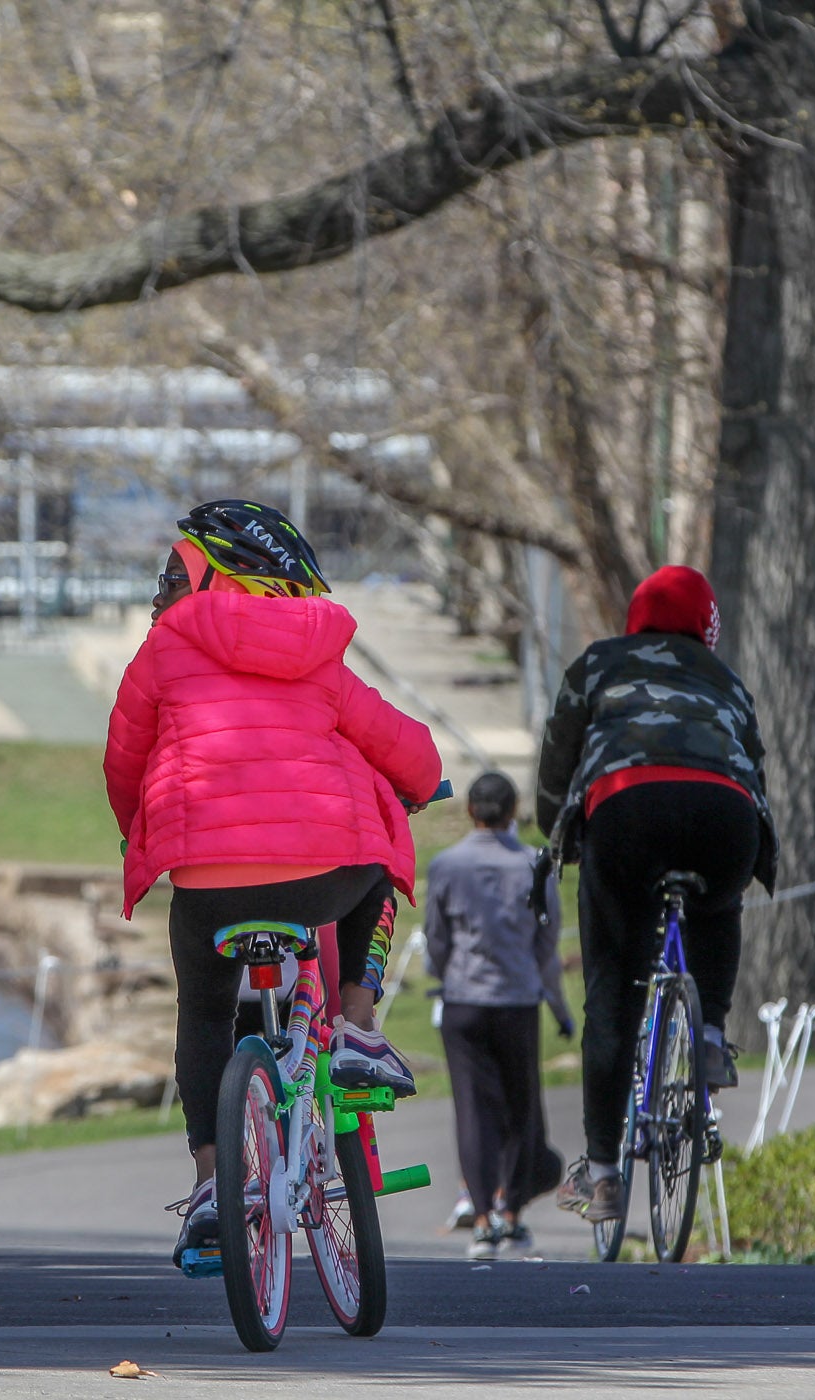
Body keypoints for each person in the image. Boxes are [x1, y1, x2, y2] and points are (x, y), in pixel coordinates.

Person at [103, 500, 443, 1266]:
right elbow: (404, 748)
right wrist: (421, 785)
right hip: (323, 882)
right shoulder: (317, 653)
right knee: (379, 860)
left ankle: (209, 1188)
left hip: (209, 886)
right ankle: (355, 1026)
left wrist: (138, 830)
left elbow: (123, 759)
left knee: (206, 1008)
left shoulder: (163, 649)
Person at [534, 566, 778, 1225]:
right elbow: (754, 763)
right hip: (725, 816)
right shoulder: (727, 680)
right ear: (708, 624)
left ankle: (604, 1174)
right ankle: (706, 1031)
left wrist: (552, 823)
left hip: (627, 810)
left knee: (613, 999)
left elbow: (560, 750)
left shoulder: (600, 663)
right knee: (717, 905)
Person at [424, 771, 571, 1261]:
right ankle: (512, 1215)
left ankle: (481, 1218)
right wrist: (557, 1003)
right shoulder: (533, 863)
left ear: (470, 811)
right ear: (512, 813)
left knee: (472, 1108)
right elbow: (546, 941)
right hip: (517, 999)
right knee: (519, 1107)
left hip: (464, 999)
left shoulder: (447, 865)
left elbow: (437, 937)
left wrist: (444, 976)